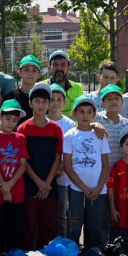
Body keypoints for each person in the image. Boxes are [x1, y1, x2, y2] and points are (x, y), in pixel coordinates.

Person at [18, 83, 64, 250]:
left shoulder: (56, 129)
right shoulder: (23, 128)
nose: (41, 105)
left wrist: (47, 184)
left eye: (44, 101)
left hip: (50, 186)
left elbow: (57, 158)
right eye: (37, 101)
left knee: (48, 225)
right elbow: (24, 160)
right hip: (30, 185)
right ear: (30, 104)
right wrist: (39, 183)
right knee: (29, 225)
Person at [62, 97, 111, 249]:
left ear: (94, 114)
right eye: (81, 112)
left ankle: (94, 255)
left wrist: (98, 188)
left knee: (96, 225)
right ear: (74, 113)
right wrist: (84, 187)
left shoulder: (100, 135)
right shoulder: (70, 136)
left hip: (98, 189)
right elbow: (67, 166)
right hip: (77, 188)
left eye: (89, 112)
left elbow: (105, 165)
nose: (85, 115)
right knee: (74, 224)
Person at [0, 99, 28, 256]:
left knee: (14, 231)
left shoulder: (20, 138)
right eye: (8, 119)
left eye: (15, 120)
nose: (11, 123)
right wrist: (4, 188)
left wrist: (10, 185)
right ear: (0, 117)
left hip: (16, 190)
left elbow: (22, 165)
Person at [48, 84, 78, 230]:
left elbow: (72, 149)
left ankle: (63, 242)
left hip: (63, 175)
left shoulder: (70, 124)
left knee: (62, 212)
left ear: (64, 102)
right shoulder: (41, 120)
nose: (55, 102)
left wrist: (61, 167)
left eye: (59, 99)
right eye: (52, 99)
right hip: (45, 173)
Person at [95, 84, 128, 158]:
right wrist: (94, 124)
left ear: (122, 102)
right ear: (102, 103)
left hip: (120, 169)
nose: (113, 101)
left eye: (117, 98)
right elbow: (80, 127)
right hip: (102, 168)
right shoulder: (96, 118)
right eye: (109, 99)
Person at [46, 50, 85, 116]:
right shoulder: (40, 87)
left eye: (63, 64)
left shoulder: (78, 88)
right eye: (55, 64)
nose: (59, 68)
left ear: (68, 68)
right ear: (49, 68)